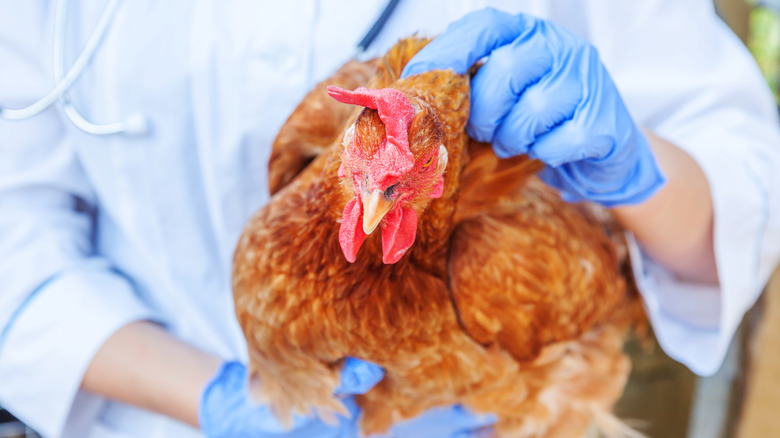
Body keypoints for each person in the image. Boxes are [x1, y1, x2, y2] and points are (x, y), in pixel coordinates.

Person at [1, 1, 778, 437]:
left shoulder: (496, 270)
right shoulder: (297, 171)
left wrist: (637, 169)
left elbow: (745, 176)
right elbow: (14, 224)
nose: (370, 200)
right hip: (155, 415)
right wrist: (217, 403)